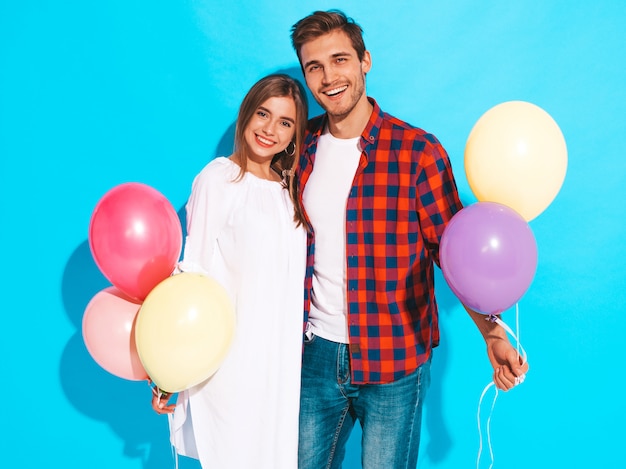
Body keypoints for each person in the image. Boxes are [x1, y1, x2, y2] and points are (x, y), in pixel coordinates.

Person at [289, 10, 529, 469]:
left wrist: (492, 333)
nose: (328, 76)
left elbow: (455, 255)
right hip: (314, 355)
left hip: (395, 357)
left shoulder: (418, 151)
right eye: (313, 67)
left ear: (365, 62)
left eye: (340, 59)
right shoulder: (300, 149)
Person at [150, 73, 308, 468]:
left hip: (280, 366)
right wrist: (169, 368)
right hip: (233, 363)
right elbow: (192, 274)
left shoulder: (289, 190)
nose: (270, 130)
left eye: (285, 123)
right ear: (246, 115)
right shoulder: (219, 179)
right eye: (263, 114)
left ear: (294, 135)